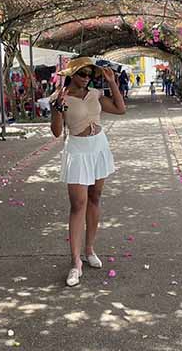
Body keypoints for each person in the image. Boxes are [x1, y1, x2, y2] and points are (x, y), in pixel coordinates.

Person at [50, 57, 126, 287]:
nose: (86, 79)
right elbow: (55, 132)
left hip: (99, 146)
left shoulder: (95, 94)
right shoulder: (59, 97)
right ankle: (76, 262)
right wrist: (56, 109)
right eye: (82, 74)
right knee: (78, 204)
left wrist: (112, 82)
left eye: (90, 75)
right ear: (72, 74)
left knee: (95, 198)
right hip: (77, 149)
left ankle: (90, 250)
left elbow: (120, 109)